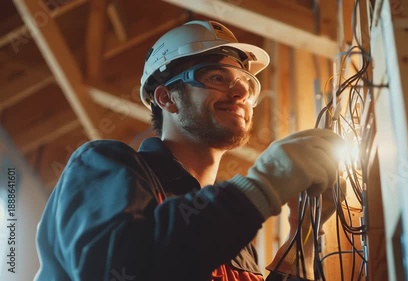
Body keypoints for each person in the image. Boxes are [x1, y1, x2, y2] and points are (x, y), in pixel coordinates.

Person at [34, 20, 343, 281]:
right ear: (167, 98)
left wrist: (300, 239)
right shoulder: (104, 165)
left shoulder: (235, 239)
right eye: (218, 78)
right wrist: (265, 185)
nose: (240, 92)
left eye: (247, 85)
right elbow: (114, 270)